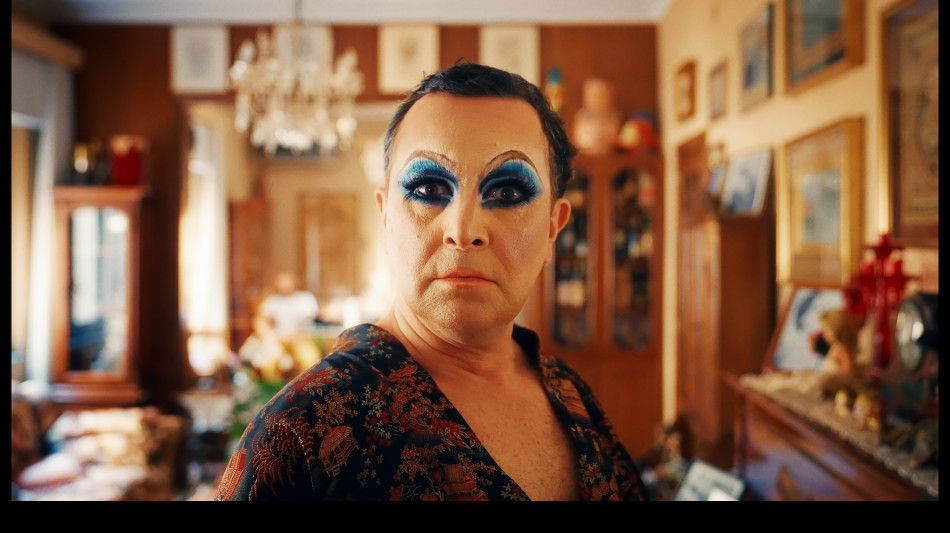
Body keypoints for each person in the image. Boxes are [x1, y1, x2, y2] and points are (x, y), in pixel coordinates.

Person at [215, 62, 648, 501]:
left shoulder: (571, 395)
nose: (463, 229)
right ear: (386, 217)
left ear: (553, 228)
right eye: (427, 190)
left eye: (507, 193)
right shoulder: (299, 433)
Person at [240, 270, 322, 382]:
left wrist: (298, 333)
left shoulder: (305, 299)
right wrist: (268, 335)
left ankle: (307, 387)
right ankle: (274, 389)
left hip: (301, 339)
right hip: (279, 339)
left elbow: (314, 319)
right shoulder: (273, 301)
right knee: (269, 363)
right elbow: (260, 320)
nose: (285, 286)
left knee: (310, 360)